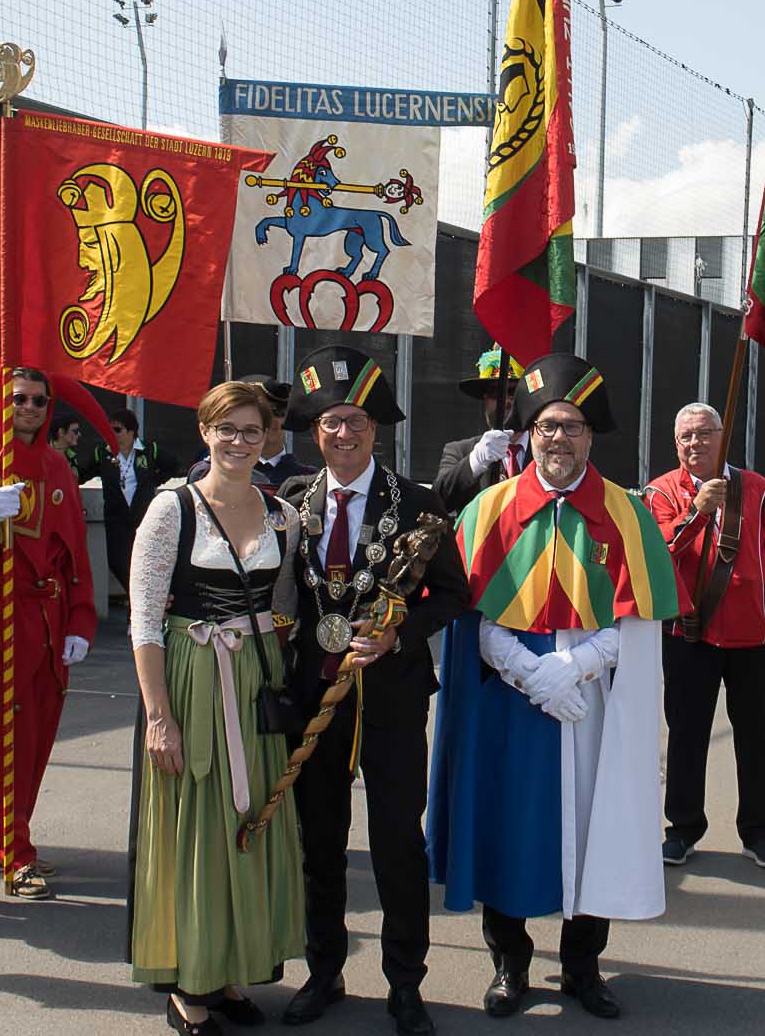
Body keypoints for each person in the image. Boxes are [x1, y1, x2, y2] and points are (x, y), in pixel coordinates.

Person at [427, 352, 678, 1021]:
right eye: (546, 427)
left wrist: (578, 667)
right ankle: (509, 963)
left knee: (596, 824)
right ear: (529, 434)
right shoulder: (488, 508)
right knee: (509, 820)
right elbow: (466, 614)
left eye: (571, 426)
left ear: (591, 435)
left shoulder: (628, 513)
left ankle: (582, 965)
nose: (558, 438)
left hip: (593, 700)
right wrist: (530, 672)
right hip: (510, 698)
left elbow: (642, 618)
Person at [277, 348, 469, 1036]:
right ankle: (323, 971)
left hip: (390, 700)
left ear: (375, 429)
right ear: (314, 431)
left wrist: (400, 633)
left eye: (355, 421)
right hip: (312, 699)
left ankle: (405, 985)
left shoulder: (418, 503)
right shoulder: (292, 502)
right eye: (331, 423)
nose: (343, 434)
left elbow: (451, 594)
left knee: (396, 844)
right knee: (318, 843)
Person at [128, 381, 306, 1033]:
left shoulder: (282, 515)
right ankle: (190, 984)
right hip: (193, 677)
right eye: (225, 429)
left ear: (269, 439)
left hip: (254, 681)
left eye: (251, 430)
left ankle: (231, 968)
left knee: (247, 824)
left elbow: (283, 605)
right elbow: (144, 621)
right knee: (196, 824)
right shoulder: (171, 508)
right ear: (204, 432)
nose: (238, 441)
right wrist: (158, 716)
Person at [0, 365, 98, 899]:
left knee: (37, 740)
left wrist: (81, 617)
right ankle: (16, 854)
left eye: (38, 400)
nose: (28, 407)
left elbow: (76, 552)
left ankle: (0, 837)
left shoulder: (58, 467)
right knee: (3, 739)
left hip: (50, 623)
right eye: (19, 398)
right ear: (1, 400)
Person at [644, 402, 765, 871]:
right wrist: (696, 511)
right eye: (687, 437)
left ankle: (759, 831)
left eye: (705, 434)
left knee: (755, 738)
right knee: (687, 736)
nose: (696, 444)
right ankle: (683, 828)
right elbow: (659, 551)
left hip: (751, 636)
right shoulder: (660, 492)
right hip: (687, 636)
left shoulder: (758, 489)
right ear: (676, 445)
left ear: (722, 436)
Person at [103, 406, 182, 609]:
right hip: (116, 519)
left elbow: (174, 464)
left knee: (145, 562)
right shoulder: (102, 453)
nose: (113, 434)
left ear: (131, 432)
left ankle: (139, 609)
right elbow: (82, 472)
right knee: (117, 562)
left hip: (142, 517)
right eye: (109, 429)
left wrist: (154, 481)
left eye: (117, 430)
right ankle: (138, 601)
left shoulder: (148, 450)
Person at [435, 349, 524, 513]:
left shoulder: (547, 450)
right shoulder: (460, 450)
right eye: (496, 393)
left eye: (514, 392)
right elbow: (437, 502)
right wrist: (476, 461)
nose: (506, 401)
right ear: (485, 399)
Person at [189, 379, 312, 496]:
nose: (271, 420)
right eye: (227, 428)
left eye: (279, 413)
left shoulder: (307, 478)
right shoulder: (205, 471)